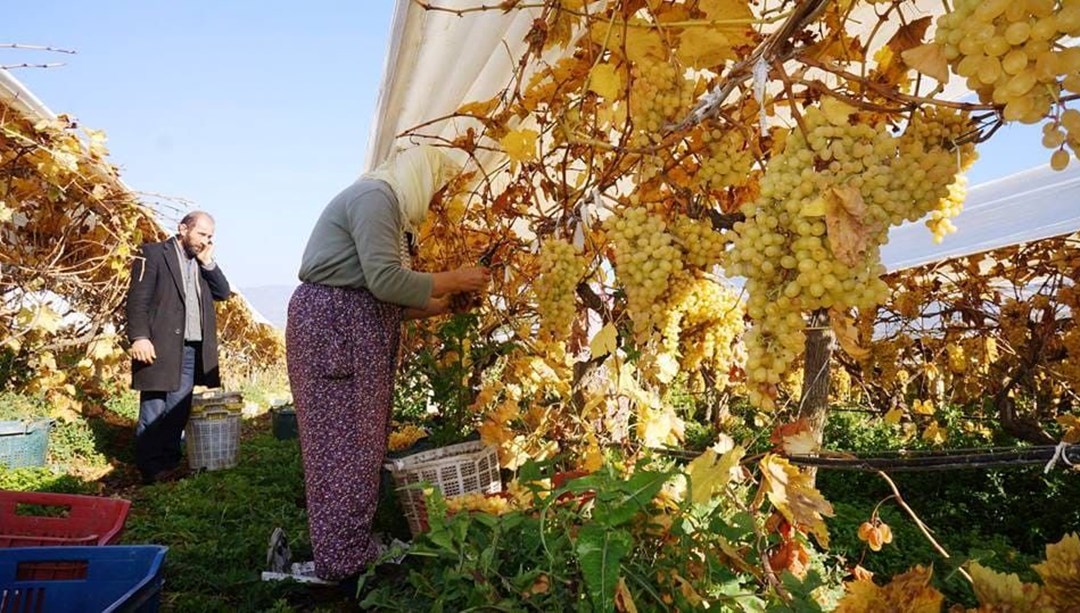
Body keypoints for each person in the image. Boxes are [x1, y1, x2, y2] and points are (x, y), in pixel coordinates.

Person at [286, 145, 490, 585]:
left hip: (348, 326)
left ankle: (350, 549)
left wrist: (444, 305)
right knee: (342, 443)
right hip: (335, 330)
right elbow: (383, 281)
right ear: (421, 176)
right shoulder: (375, 198)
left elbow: (385, 300)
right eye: (437, 189)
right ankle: (342, 562)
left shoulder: (390, 211)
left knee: (358, 444)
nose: (436, 201)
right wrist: (455, 278)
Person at [125, 211, 232, 485]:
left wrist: (208, 263)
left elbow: (223, 292)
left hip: (189, 349)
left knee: (178, 410)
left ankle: (169, 465)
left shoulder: (202, 262)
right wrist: (139, 337)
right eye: (201, 234)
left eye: (210, 236)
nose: (205, 241)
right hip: (158, 345)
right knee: (154, 407)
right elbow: (137, 299)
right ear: (183, 229)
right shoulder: (153, 254)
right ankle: (150, 468)